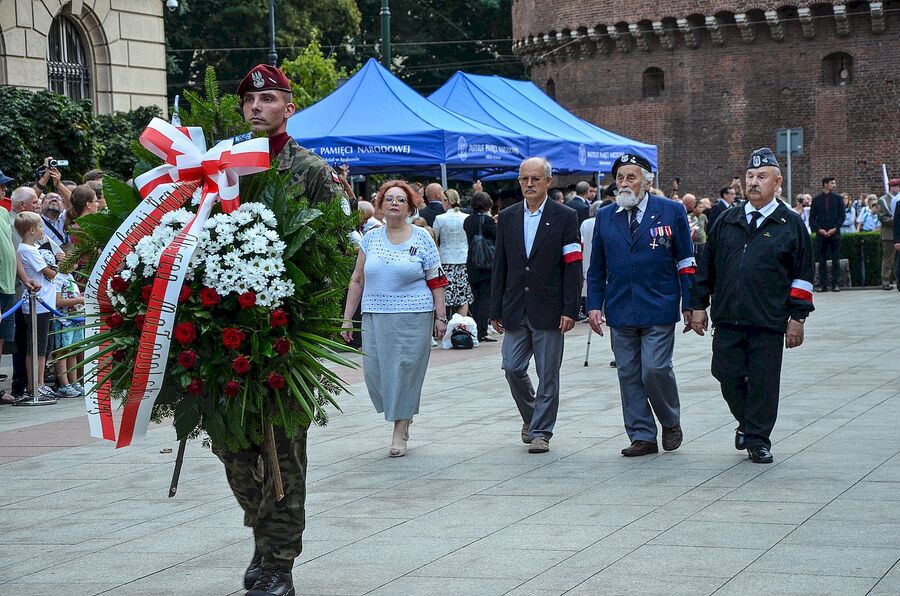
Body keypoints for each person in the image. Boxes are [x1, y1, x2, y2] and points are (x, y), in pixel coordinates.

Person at [214, 64, 349, 596]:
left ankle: (280, 564)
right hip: (227, 336)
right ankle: (262, 540)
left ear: (288, 108)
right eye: (250, 100)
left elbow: (336, 248)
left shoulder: (310, 170)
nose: (256, 107)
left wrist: (312, 321)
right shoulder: (223, 168)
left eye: (268, 99)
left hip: (285, 337)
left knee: (283, 453)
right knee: (234, 449)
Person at [691, 148, 814, 464]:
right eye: (750, 177)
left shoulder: (791, 224)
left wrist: (797, 317)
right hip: (728, 317)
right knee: (725, 372)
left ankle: (758, 439)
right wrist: (698, 305)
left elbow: (802, 275)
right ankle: (747, 423)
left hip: (768, 320)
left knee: (763, 382)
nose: (754, 183)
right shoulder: (726, 220)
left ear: (777, 182)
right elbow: (708, 267)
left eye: (762, 177)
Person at [586, 153, 695, 457]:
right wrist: (594, 305)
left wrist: (692, 302)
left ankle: (670, 420)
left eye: (631, 177)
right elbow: (596, 267)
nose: (624, 184)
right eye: (619, 178)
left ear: (647, 182)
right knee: (628, 373)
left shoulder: (671, 211)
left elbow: (686, 260)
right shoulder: (607, 216)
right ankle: (642, 435)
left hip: (659, 304)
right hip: (620, 307)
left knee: (655, 369)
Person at [341, 180, 448, 455]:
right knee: (375, 374)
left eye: (400, 200)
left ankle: (400, 430)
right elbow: (357, 279)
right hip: (376, 314)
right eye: (389, 199)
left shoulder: (421, 237)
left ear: (410, 206)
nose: (394, 204)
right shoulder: (371, 238)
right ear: (380, 206)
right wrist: (347, 318)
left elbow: (436, 279)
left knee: (406, 372)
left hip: (415, 314)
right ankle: (403, 412)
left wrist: (441, 316)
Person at [491, 157, 582, 454]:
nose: (528, 184)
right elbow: (500, 265)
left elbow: (572, 265)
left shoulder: (565, 216)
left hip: (550, 307)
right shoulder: (507, 217)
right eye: (523, 179)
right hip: (516, 306)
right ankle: (532, 416)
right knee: (512, 366)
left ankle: (541, 431)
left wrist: (570, 308)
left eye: (534, 179)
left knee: (548, 373)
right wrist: (495, 309)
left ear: (548, 181)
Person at [14, 211, 59, 401]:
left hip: (46, 303)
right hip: (37, 304)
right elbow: (49, 273)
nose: (42, 230)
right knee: (37, 347)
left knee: (44, 347)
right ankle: (35, 385)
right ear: (32, 230)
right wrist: (57, 266)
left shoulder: (33, 248)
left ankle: (40, 383)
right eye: (40, 227)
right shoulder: (27, 250)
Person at [51, 245, 85, 399]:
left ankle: (74, 381)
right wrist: (78, 300)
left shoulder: (71, 277)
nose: (75, 265)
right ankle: (64, 384)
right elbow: (57, 301)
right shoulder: (58, 278)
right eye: (72, 260)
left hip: (75, 320)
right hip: (63, 320)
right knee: (63, 351)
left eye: (76, 261)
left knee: (73, 351)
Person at [432, 188, 473, 318]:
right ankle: (461, 327)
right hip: (463, 260)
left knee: (444, 295)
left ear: (446, 201)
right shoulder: (466, 217)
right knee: (463, 296)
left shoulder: (439, 218)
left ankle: (445, 323)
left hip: (445, 260)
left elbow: (434, 239)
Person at [464, 191, 497, 343]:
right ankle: (482, 330)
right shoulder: (488, 221)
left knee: (476, 297)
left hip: (472, 262)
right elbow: (496, 237)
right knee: (486, 297)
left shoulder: (467, 221)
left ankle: (475, 327)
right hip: (486, 263)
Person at [809, 176, 844, 292]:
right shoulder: (817, 200)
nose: (834, 185)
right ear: (825, 184)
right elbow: (812, 218)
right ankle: (823, 285)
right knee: (822, 260)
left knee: (836, 259)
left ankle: (835, 284)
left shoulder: (838, 199)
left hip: (835, 233)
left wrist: (835, 228)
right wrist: (819, 230)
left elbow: (841, 216)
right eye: (832, 183)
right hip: (821, 233)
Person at [876, 179, 899, 289]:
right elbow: (882, 217)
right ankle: (885, 282)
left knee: (897, 260)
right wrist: (896, 220)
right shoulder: (883, 200)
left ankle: (896, 280)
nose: (898, 189)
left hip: (897, 232)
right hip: (889, 233)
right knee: (888, 259)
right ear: (892, 187)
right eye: (897, 187)